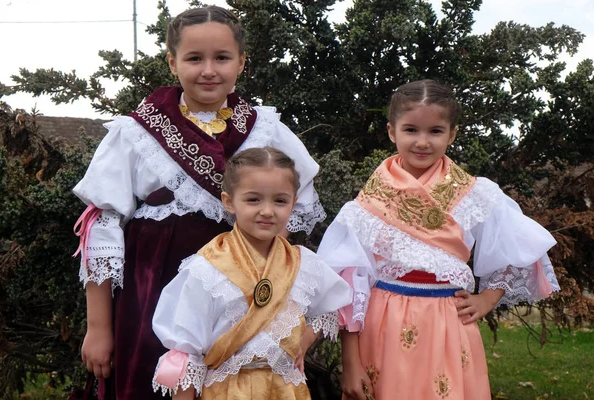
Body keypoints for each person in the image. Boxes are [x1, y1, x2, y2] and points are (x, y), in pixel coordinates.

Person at [71, 6, 326, 400]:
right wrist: (99, 326)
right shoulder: (137, 132)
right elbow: (101, 227)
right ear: (172, 62)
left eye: (222, 58)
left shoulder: (266, 130)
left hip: (240, 292)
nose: (209, 70)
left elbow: (289, 219)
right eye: (194, 58)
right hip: (151, 291)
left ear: (241, 62)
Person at [317, 80, 560, 400]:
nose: (422, 141)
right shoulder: (366, 206)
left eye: (435, 131)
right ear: (392, 132)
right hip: (383, 327)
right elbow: (350, 283)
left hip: (447, 324)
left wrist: (487, 299)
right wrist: (350, 361)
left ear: (452, 133)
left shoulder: (474, 195)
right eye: (411, 130)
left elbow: (518, 247)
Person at [150, 147, 352, 399]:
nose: (267, 211)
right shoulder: (207, 269)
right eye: (253, 199)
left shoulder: (304, 264)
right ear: (229, 201)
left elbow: (328, 307)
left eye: (280, 200)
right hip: (226, 390)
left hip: (286, 390)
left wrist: (301, 343)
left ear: (293, 202)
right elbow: (185, 352)